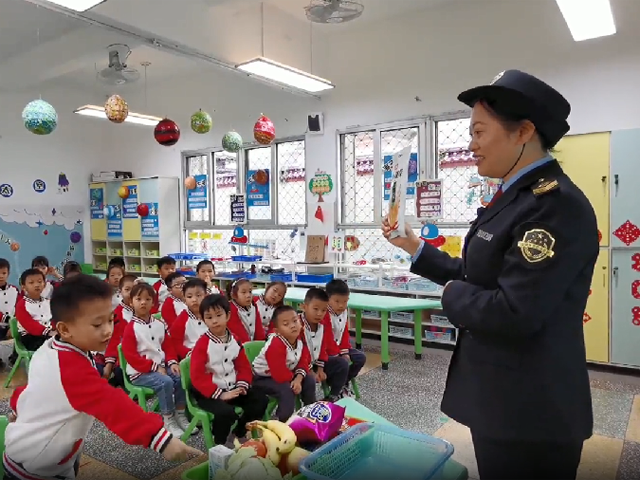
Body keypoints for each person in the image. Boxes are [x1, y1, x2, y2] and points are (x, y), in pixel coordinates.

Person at [382, 70, 596, 480]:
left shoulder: (553, 205)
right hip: (501, 398)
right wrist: (414, 247)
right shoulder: (514, 196)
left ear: (524, 132)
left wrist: (450, 294)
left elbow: (514, 310)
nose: (471, 144)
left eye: (479, 132)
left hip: (531, 410)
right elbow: (479, 273)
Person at [3, 274, 200, 480]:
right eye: (97, 325)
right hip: (38, 466)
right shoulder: (71, 369)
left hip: (35, 448)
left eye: (110, 320)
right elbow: (111, 403)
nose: (108, 330)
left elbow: (32, 389)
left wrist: (18, 409)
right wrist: (160, 440)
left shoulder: (49, 349)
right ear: (64, 329)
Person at [190, 294, 269, 444]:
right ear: (203, 319)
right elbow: (197, 376)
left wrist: (242, 385)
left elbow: (243, 366)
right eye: (209, 317)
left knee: (260, 400)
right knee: (226, 413)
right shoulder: (202, 345)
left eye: (218, 315)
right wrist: (220, 394)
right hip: (207, 391)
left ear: (228, 315)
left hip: (232, 386)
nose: (214, 321)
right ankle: (219, 443)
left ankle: (239, 432)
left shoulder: (235, 340)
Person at [121, 282, 191, 437]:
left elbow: (168, 346)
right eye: (139, 299)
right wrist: (154, 367)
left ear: (153, 302)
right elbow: (131, 356)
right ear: (131, 302)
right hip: (140, 373)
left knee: (179, 376)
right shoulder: (131, 328)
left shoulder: (159, 324)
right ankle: (168, 418)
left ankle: (180, 413)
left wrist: (172, 362)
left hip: (161, 367)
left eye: (147, 299)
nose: (143, 302)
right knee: (165, 382)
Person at [252, 306, 315, 422]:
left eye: (295, 321)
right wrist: (294, 381)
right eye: (286, 324)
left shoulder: (300, 337)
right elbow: (280, 374)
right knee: (287, 390)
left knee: (309, 380)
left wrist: (298, 379)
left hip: (287, 372)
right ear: (277, 331)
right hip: (262, 378)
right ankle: (281, 420)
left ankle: (310, 412)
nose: (292, 326)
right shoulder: (275, 344)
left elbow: (303, 360)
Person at [299, 288, 349, 402]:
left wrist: (320, 369)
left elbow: (322, 349)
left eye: (323, 310)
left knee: (342, 364)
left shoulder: (322, 325)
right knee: (310, 380)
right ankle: (310, 406)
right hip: (299, 365)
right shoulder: (297, 325)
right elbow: (301, 353)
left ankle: (332, 397)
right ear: (304, 307)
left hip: (315, 361)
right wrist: (311, 371)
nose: (319, 314)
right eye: (315, 309)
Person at [325, 280, 366, 396]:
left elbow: (344, 332)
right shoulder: (324, 314)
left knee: (360, 358)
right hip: (326, 352)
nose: (341, 305)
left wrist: (345, 351)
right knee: (342, 363)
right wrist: (339, 354)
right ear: (327, 299)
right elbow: (326, 339)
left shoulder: (343, 311)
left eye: (345, 301)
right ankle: (334, 394)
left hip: (339, 348)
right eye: (337, 301)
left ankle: (341, 382)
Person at [102, 274, 138, 385]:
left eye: (134, 290)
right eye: (127, 290)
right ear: (120, 292)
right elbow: (114, 341)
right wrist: (108, 366)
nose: (131, 293)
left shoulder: (142, 309)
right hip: (126, 359)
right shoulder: (118, 314)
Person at [14, 269, 54, 351]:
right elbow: (29, 324)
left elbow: (54, 318)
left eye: (39, 282)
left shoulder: (48, 302)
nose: (36, 285)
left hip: (49, 334)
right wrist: (47, 332)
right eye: (31, 283)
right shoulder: (21, 305)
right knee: (48, 346)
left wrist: (55, 329)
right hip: (30, 336)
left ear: (44, 284)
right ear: (23, 287)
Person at [170, 278, 209, 359]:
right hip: (190, 356)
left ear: (206, 295)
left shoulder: (211, 315)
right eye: (189, 297)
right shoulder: (182, 319)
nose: (194, 300)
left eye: (198, 295)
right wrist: (190, 354)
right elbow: (176, 343)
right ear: (184, 298)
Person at [227, 279, 266, 344]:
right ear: (233, 295)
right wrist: (248, 346)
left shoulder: (253, 305)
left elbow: (258, 328)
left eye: (250, 291)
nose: (248, 295)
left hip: (252, 344)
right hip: (238, 345)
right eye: (243, 292)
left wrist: (261, 343)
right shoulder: (231, 309)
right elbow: (239, 333)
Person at [0, 258, 19, 340]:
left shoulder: (14, 290)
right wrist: (8, 320)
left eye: (4, 273)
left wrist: (13, 326)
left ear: (8, 274)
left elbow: (19, 307)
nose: (1, 276)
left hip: (12, 327)